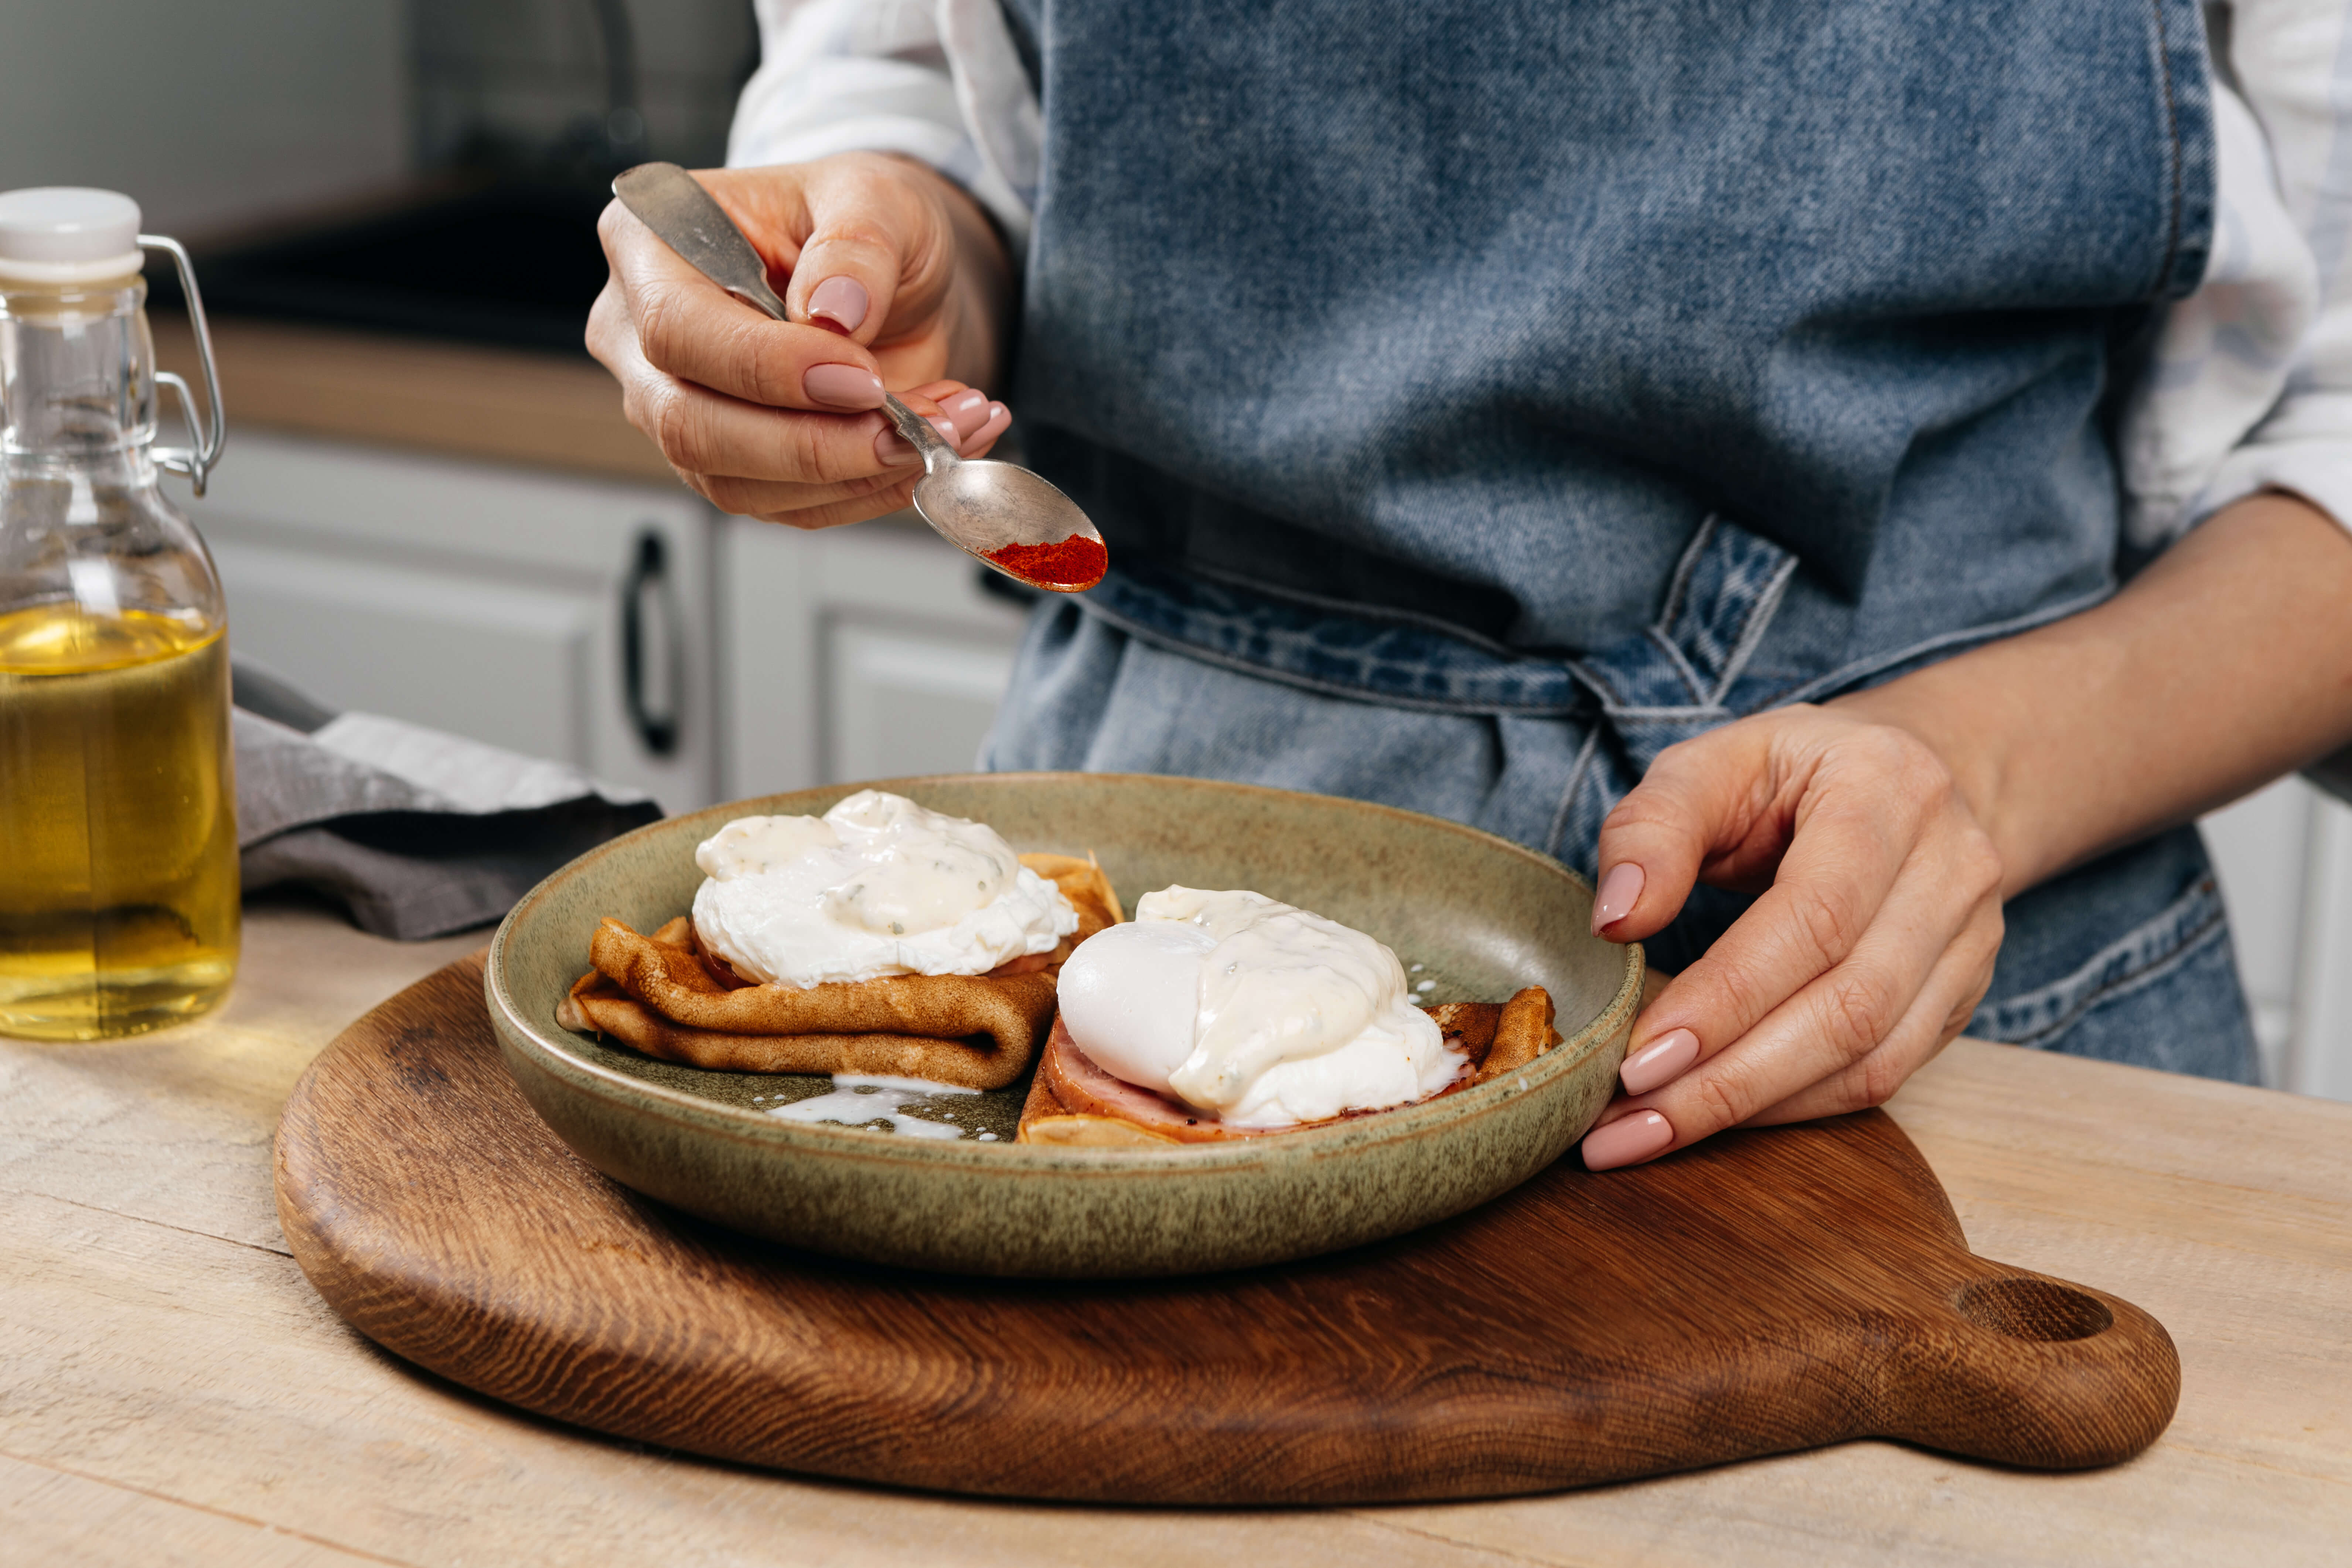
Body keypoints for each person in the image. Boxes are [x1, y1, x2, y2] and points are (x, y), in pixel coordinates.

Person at [590, 0, 2352, 1169]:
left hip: (1942, 993)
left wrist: (1975, 771)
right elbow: (922, 72)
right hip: (1121, 935)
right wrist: (893, 231)